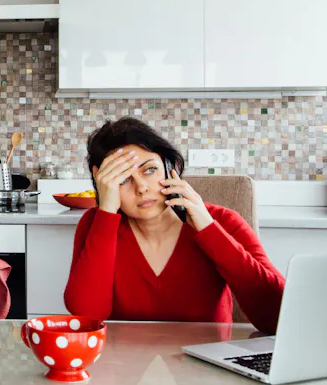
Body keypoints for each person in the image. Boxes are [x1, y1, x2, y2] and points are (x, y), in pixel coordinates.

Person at [64, 116, 284, 334]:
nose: (141, 188)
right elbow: (88, 316)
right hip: (122, 365)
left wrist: (209, 230)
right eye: (122, 179)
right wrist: (106, 213)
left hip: (205, 365)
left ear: (172, 167)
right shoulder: (95, 223)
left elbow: (278, 316)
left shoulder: (223, 221)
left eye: (149, 170)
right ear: (101, 181)